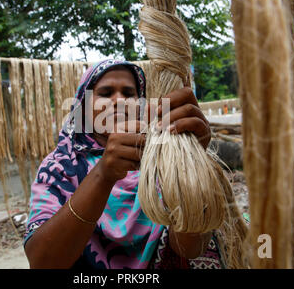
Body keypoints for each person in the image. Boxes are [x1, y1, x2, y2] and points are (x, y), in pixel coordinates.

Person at [24, 59, 225, 269]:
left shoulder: (164, 156)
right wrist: (104, 174)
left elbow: (190, 249)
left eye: (129, 93)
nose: (119, 100)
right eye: (105, 92)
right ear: (83, 106)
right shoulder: (61, 166)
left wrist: (192, 159)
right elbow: (42, 262)